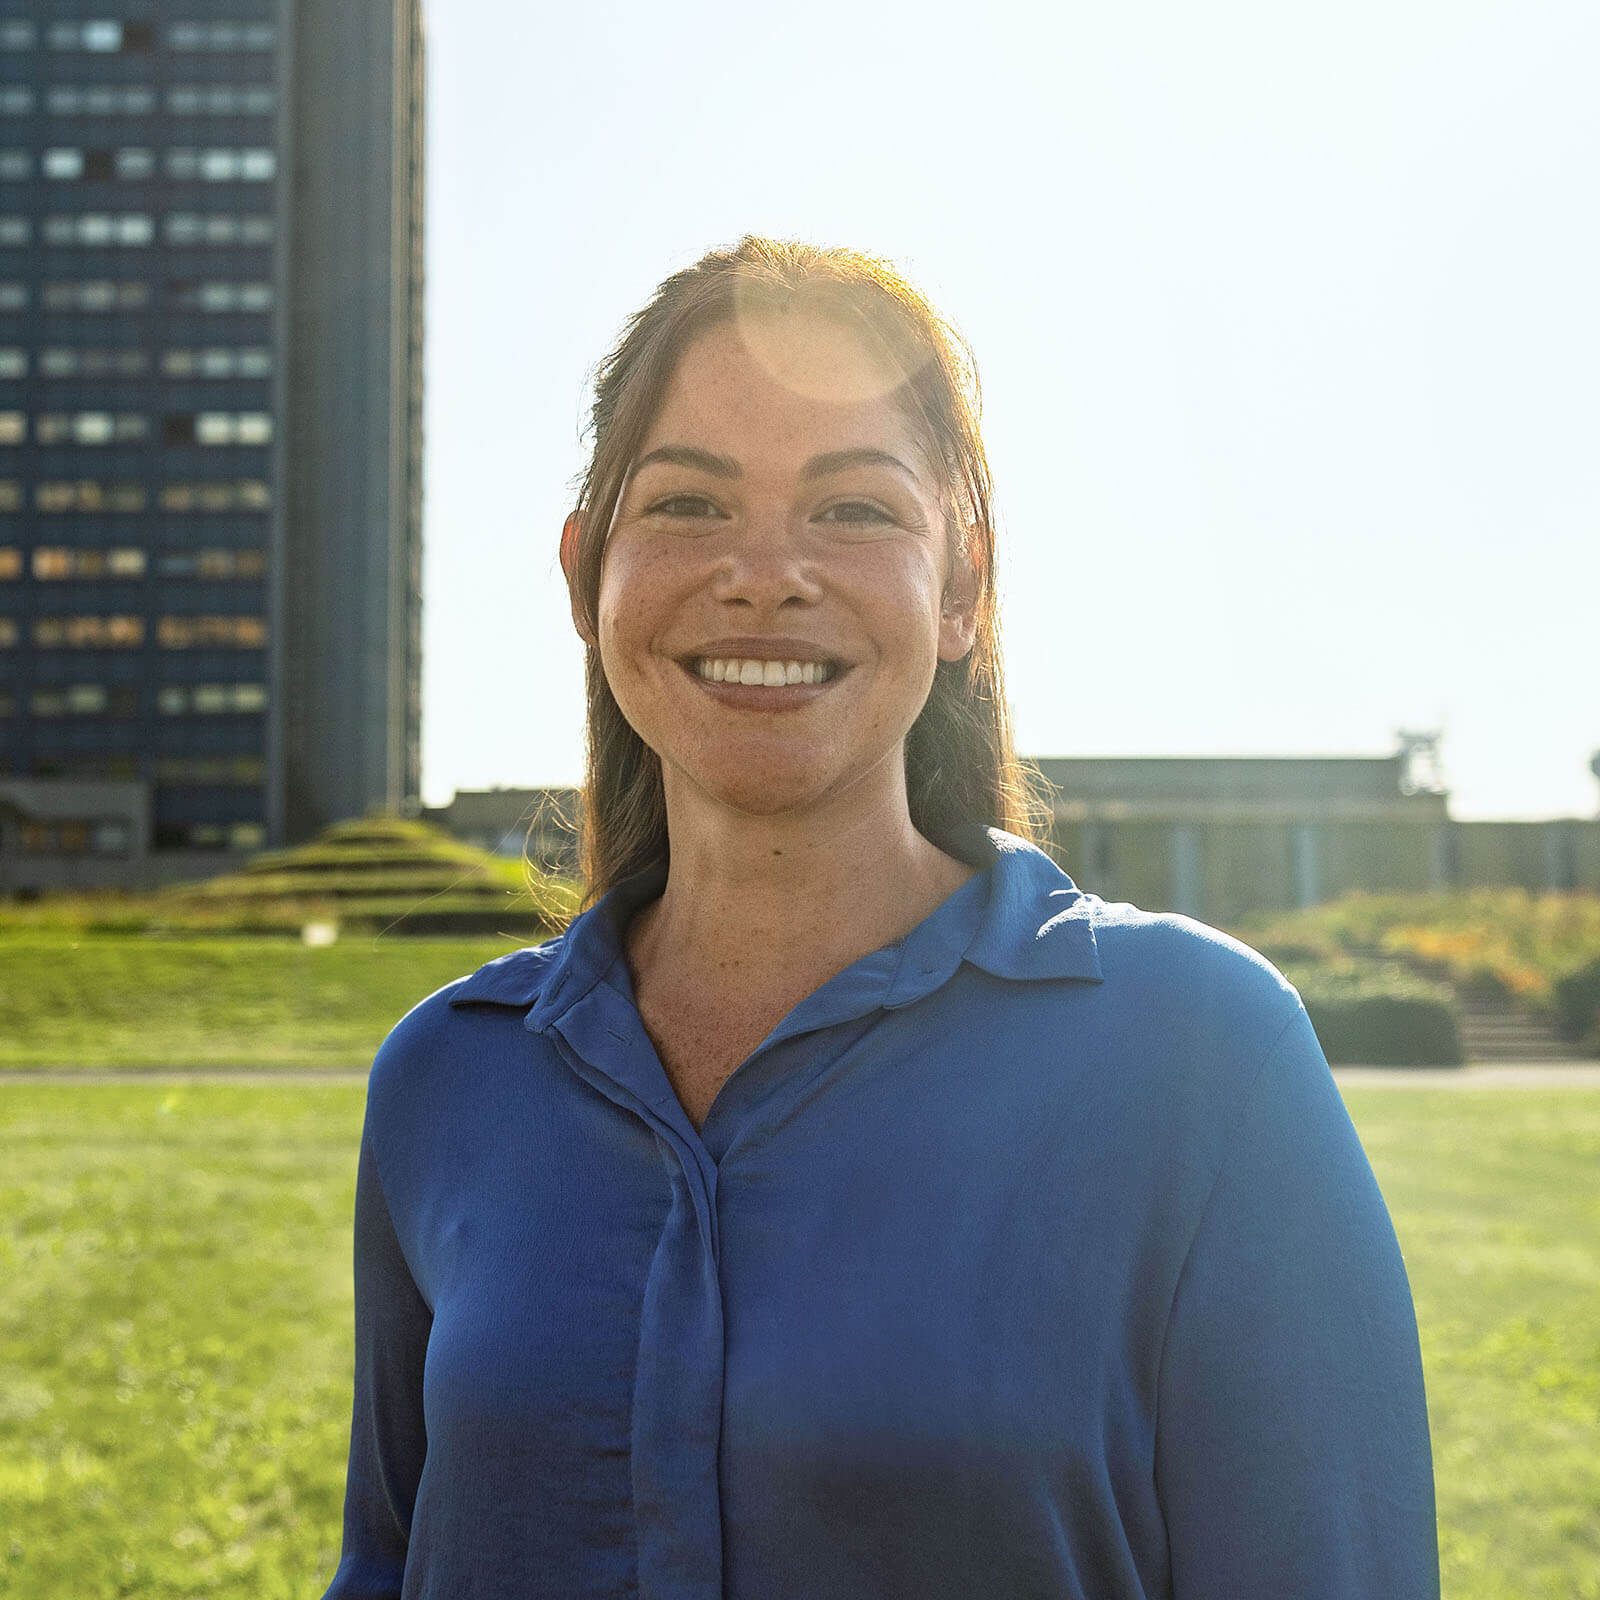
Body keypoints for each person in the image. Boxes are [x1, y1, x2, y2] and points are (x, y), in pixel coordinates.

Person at [322, 237, 1439, 1599]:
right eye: (686, 505)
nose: (765, 574)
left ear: (963, 586)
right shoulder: (446, 1078)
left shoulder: (1206, 1059)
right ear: (582, 575)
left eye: (852, 509)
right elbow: (386, 1563)